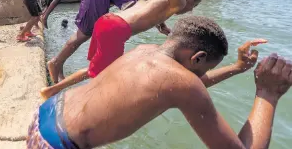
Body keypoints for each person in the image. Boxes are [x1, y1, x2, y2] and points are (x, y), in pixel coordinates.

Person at [29, 15, 292, 149]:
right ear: (198, 57)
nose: (198, 78)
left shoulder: (146, 50)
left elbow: (190, 84)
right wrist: (267, 93)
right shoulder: (183, 84)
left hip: (43, 118)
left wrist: (235, 68)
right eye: (202, 69)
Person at [41, 0, 277, 98]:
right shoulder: (179, 1)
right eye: (193, 6)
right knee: (105, 77)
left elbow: (144, 12)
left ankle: (53, 89)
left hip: (107, 22)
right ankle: (69, 98)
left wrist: (161, 25)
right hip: (116, 30)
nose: (190, 9)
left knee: (97, 69)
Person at [47, 0, 160, 83]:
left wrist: (160, 25)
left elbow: (136, 8)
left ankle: (59, 64)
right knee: (83, 34)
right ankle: (56, 62)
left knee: (86, 33)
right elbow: (147, 9)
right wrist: (160, 25)